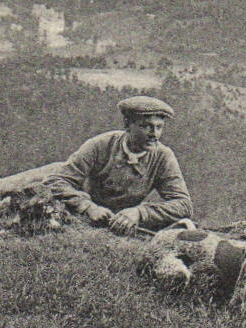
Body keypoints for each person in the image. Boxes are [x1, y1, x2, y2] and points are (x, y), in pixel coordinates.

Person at [45, 95, 193, 236]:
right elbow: (56, 181)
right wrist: (87, 207)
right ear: (127, 125)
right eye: (146, 126)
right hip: (84, 215)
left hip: (122, 222)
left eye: (159, 127)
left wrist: (140, 213)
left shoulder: (163, 156)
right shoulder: (100, 145)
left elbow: (183, 204)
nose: (154, 134)